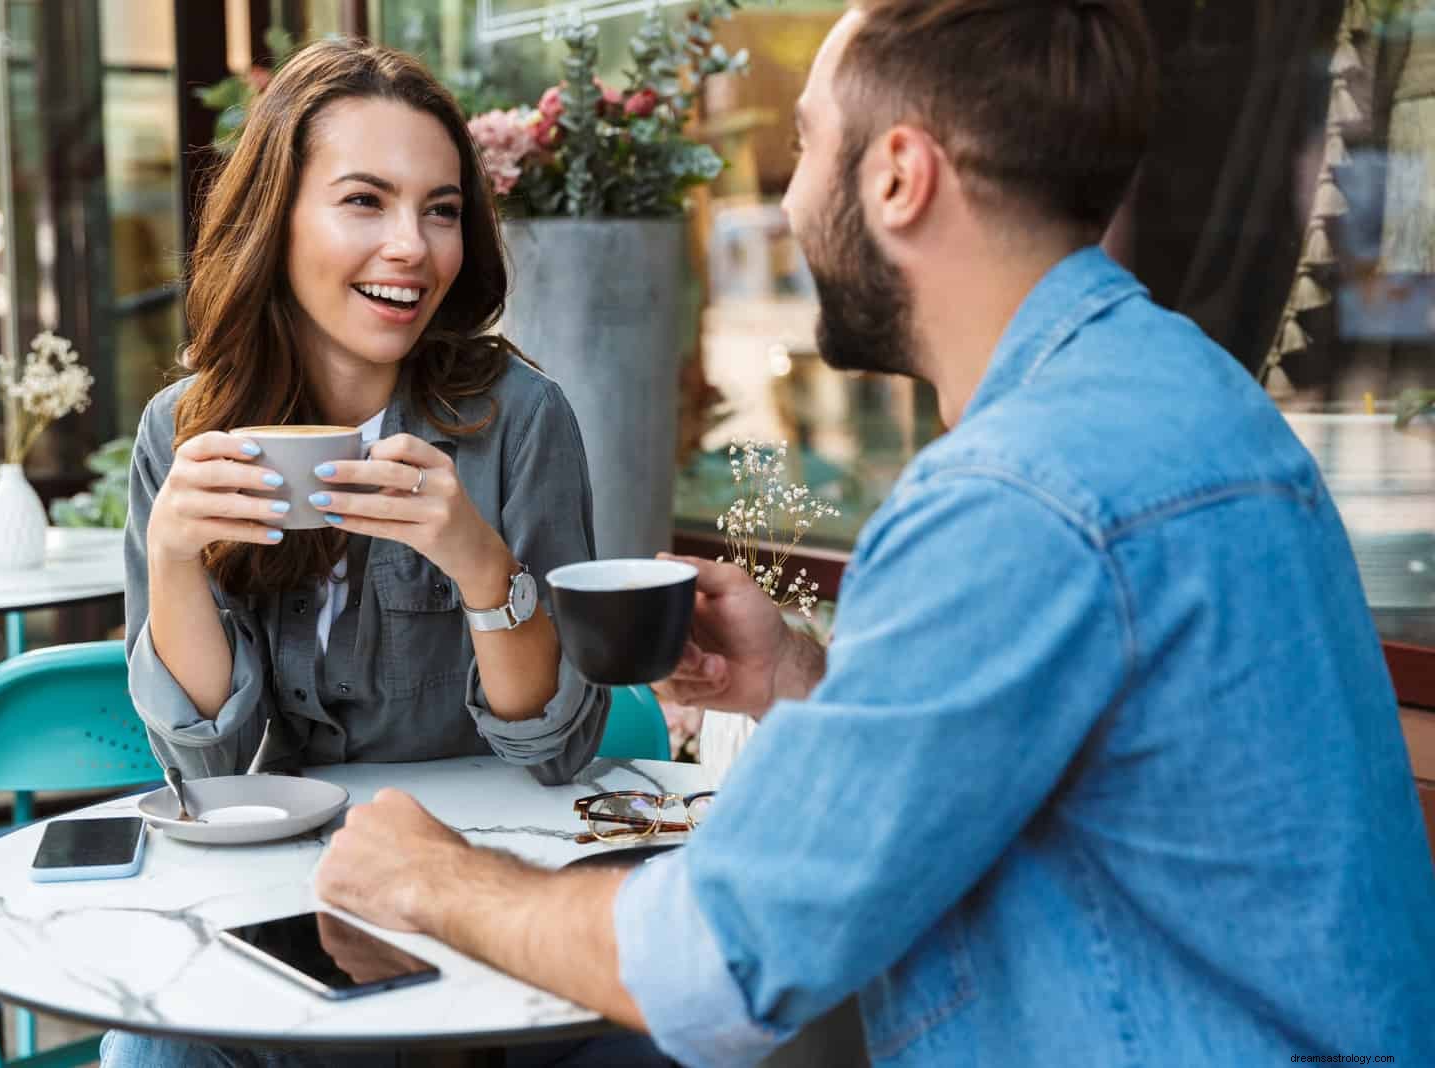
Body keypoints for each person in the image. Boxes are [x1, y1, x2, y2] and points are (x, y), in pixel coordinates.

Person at [313, 1, 1435, 1065]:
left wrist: (435, 879)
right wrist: (804, 680)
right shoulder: (1179, 386)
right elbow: (1054, 779)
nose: (790, 203)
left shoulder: (1015, 491)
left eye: (806, 146)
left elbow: (719, 967)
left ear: (896, 177)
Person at [107, 39, 643, 1068]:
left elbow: (556, 751)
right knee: (154, 1054)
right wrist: (174, 560)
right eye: (365, 200)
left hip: (493, 883)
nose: (413, 246)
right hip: (296, 891)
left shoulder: (518, 420)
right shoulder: (187, 432)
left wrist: (482, 567)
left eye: (441, 209)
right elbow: (206, 765)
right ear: (279, 219)